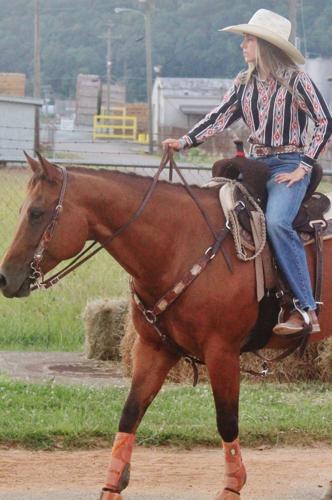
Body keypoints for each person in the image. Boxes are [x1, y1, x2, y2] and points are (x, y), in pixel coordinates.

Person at [162, 8, 332, 335]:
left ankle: (305, 309)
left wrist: (304, 166)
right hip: (254, 166)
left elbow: (324, 121)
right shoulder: (243, 83)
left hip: (287, 165)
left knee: (278, 222)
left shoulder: (297, 80)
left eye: (248, 40)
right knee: (216, 213)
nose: (242, 46)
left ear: (265, 45)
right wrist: (183, 142)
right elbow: (218, 117)